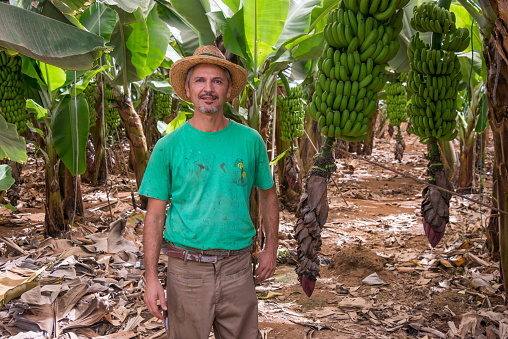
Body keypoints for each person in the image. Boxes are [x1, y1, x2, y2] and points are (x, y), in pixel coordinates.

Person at [140, 45, 279, 339]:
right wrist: (151, 277)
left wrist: (271, 248)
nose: (208, 88)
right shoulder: (168, 146)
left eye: (217, 81)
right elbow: (154, 217)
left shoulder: (250, 140)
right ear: (188, 90)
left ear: (229, 91)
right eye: (200, 81)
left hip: (238, 269)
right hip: (186, 270)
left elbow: (268, 194)